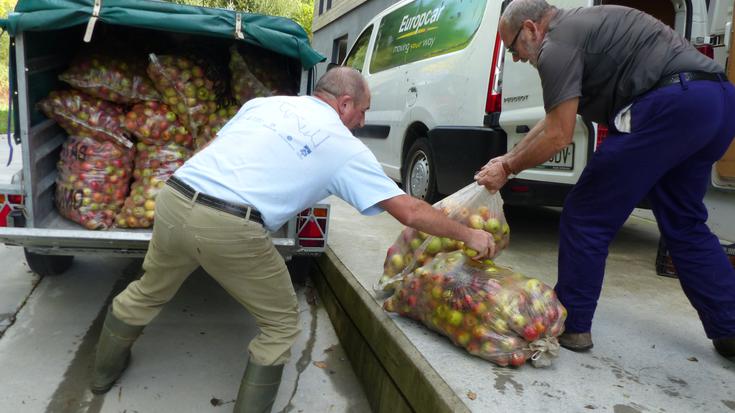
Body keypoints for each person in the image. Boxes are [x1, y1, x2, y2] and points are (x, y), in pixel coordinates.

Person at [90, 67, 496, 411]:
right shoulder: (342, 145)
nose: (362, 121)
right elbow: (410, 210)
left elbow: (214, 147)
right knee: (281, 324)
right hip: (230, 226)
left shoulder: (264, 104)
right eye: (363, 111)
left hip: (176, 198)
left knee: (148, 290)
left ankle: (101, 378)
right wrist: (468, 233)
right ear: (345, 104)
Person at [476, 0, 735, 359]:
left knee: (585, 214)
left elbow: (559, 135)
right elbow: (554, 121)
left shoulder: (556, 46)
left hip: (670, 104)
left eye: (513, 47)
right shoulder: (578, 29)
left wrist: (506, 170)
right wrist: (508, 158)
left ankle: (573, 324)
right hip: (716, 102)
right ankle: (731, 327)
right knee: (685, 222)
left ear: (532, 28)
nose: (516, 57)